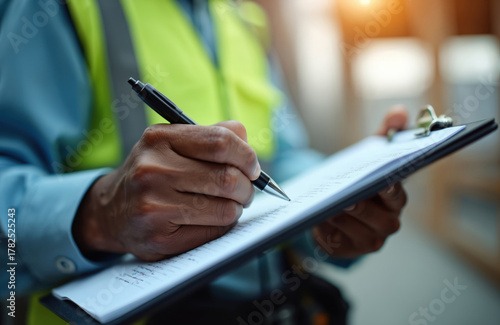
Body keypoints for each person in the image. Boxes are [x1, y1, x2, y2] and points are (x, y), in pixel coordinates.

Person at [0, 0, 408, 323]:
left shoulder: (246, 21)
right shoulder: (55, 7)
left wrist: (338, 201)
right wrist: (99, 215)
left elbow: (282, 157)